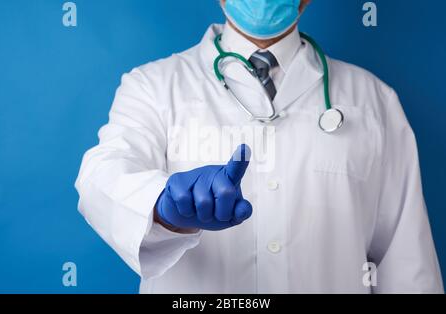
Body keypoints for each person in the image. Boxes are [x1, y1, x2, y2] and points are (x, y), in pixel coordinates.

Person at [75, 0, 444, 293]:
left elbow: (405, 263)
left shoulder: (374, 100)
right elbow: (103, 175)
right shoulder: (152, 86)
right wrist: (162, 206)